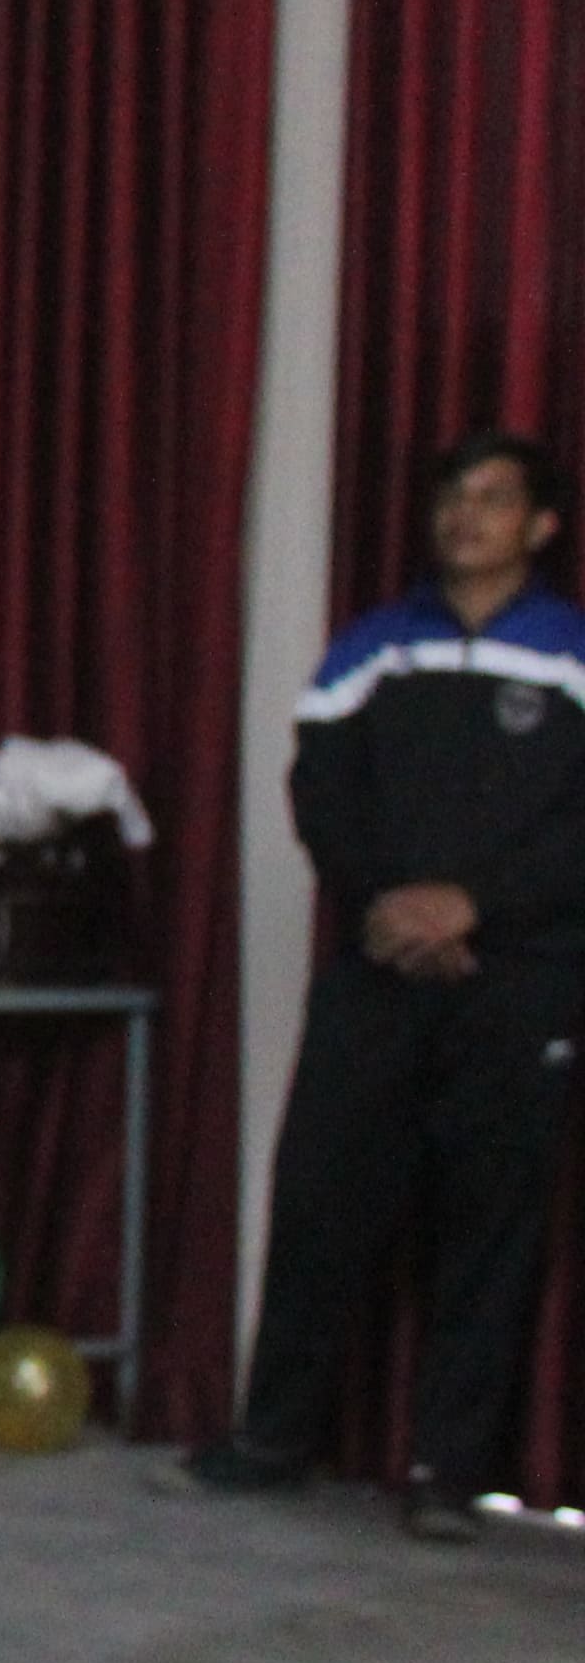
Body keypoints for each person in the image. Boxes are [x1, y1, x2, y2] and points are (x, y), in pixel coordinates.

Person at [191, 431, 585, 1536]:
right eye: (454, 495)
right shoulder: (373, 647)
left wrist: (476, 907)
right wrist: (389, 903)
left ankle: (449, 1474)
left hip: (520, 980)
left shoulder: (570, 652)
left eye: (494, 499)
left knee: (489, 1222)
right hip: (377, 966)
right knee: (322, 1195)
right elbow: (322, 791)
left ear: (540, 527)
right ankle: (274, 1435)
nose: (467, 516)